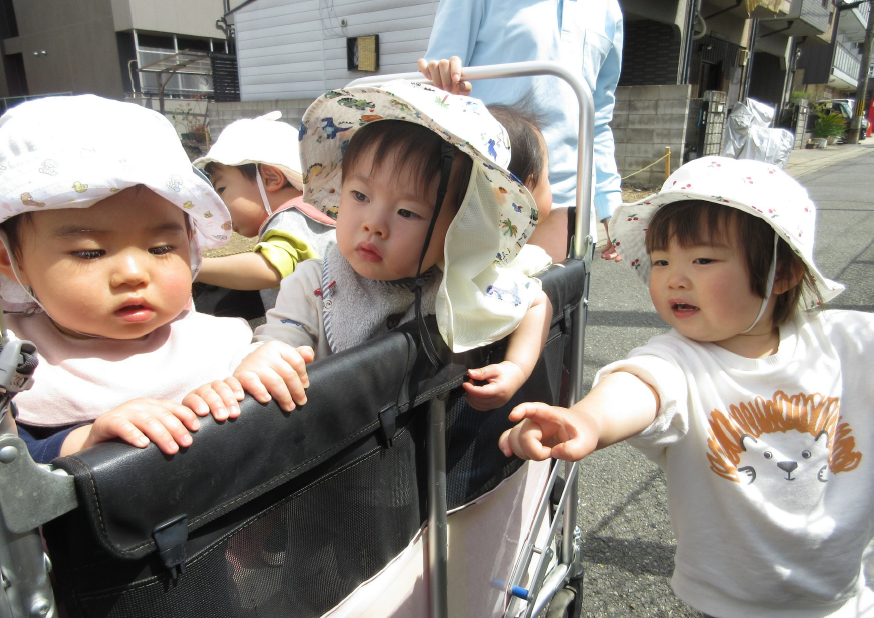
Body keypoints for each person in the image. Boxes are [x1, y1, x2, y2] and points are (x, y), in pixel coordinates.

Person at [500, 156, 874, 617]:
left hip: (846, 600)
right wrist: (587, 418)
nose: (673, 277)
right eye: (661, 261)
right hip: (728, 605)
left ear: (782, 273)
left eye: (702, 259)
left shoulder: (849, 344)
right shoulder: (680, 359)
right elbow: (640, 388)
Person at [188, 81, 553, 413]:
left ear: (458, 230)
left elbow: (535, 301)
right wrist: (263, 357)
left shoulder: (460, 282)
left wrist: (516, 367)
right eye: (360, 195)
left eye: (408, 212)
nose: (373, 224)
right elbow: (280, 340)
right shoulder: (313, 283)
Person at [0, 95, 253, 463]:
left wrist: (264, 363)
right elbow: (17, 468)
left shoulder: (210, 339)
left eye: (162, 248)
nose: (133, 275)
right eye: (89, 252)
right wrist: (85, 440)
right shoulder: (15, 366)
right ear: (10, 261)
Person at [418, 0, 624, 263]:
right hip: (484, 193)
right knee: (470, 298)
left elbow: (597, 118)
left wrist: (610, 206)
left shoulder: (607, 9)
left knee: (558, 297)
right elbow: (440, 86)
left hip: (571, 206)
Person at [194, 112, 336, 310]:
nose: (219, 204)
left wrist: (194, 266)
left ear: (270, 178)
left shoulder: (291, 219)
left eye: (222, 189)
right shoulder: (314, 213)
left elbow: (268, 269)